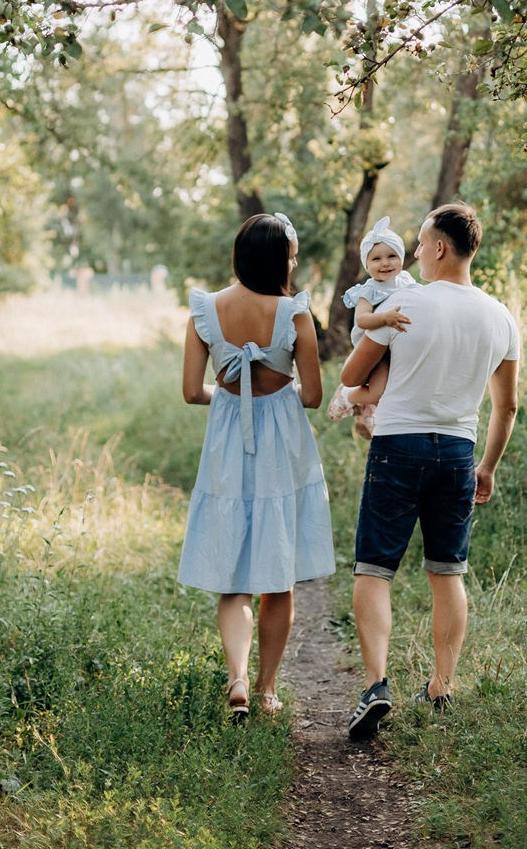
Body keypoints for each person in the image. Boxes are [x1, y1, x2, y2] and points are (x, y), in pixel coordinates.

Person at [339, 202, 519, 740]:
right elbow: (507, 407)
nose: (414, 254)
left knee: (374, 569)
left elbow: (351, 374)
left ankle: (376, 687)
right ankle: (442, 685)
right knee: (448, 572)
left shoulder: (404, 303)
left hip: (398, 446)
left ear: (440, 247)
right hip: (459, 452)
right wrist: (487, 466)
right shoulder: (501, 316)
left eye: (419, 244)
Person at [177, 211, 335, 721]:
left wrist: (228, 396)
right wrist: (271, 387)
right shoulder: (295, 313)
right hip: (281, 444)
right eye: (291, 255)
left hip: (227, 440)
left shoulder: (205, 311)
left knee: (233, 576)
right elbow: (311, 396)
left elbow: (189, 392)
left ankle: (238, 679)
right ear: (279, 259)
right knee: (277, 576)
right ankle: (267, 690)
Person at [326, 217, 414, 439]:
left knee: (388, 389)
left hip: (394, 346)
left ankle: (364, 414)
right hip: (374, 349)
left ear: (401, 258)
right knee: (378, 390)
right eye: (376, 259)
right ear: (367, 264)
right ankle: (347, 396)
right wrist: (384, 318)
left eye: (391, 256)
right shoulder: (369, 290)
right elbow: (363, 319)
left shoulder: (406, 280)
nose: (385, 263)